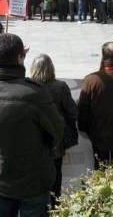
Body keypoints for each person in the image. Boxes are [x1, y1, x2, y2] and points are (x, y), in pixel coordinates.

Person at [0, 33, 64, 216]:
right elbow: (57, 132)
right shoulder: (33, 93)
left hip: (0, 175)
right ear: (21, 57)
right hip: (33, 180)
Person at [28, 54, 78, 209]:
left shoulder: (27, 86)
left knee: (37, 175)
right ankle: (55, 205)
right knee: (56, 174)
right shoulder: (60, 87)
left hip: (33, 141)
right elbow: (73, 112)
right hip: (56, 139)